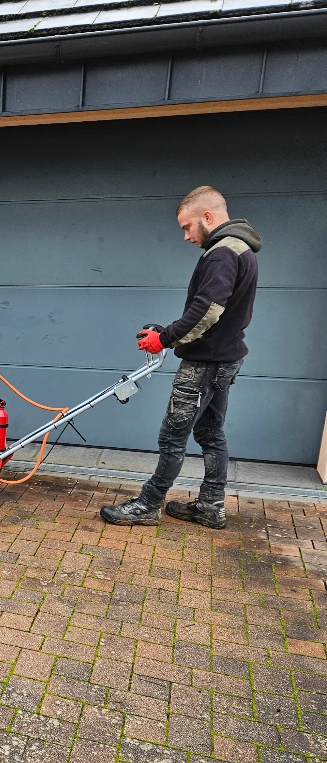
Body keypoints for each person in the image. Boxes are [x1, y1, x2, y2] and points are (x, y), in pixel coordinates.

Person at [100, 186, 260, 530]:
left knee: (172, 437)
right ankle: (210, 506)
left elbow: (208, 310)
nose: (186, 236)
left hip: (204, 364)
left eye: (187, 227)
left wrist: (165, 339)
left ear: (208, 216)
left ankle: (148, 504)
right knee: (211, 433)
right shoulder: (241, 249)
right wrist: (169, 332)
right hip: (224, 359)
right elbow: (216, 312)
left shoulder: (222, 253)